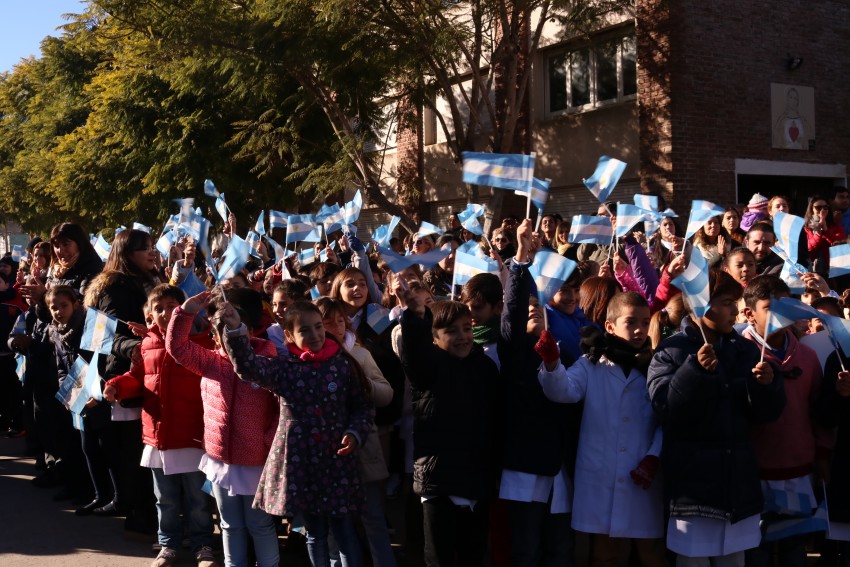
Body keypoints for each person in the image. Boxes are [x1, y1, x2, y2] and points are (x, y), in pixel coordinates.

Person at [220, 300, 375, 567]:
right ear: (289, 335)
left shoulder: (343, 365)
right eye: (305, 330)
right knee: (314, 533)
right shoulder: (285, 368)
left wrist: (354, 432)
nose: (315, 335)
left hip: (337, 462)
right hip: (301, 464)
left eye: (318, 327)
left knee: (345, 531)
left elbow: (363, 407)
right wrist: (235, 331)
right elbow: (248, 367)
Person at [648, 270, 784, 567]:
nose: (735, 310)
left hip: (737, 486)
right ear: (701, 304)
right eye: (726, 302)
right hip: (693, 492)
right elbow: (665, 409)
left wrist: (766, 386)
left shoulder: (745, 350)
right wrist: (692, 371)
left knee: (734, 561)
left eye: (735, 302)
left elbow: (765, 415)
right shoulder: (672, 350)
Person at [538, 292, 665, 567]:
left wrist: (655, 455)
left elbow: (665, 418)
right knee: (605, 552)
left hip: (642, 474)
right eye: (630, 322)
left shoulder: (656, 364)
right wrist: (551, 363)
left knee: (651, 552)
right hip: (601, 472)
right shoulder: (592, 363)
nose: (640, 330)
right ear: (609, 326)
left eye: (645, 323)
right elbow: (564, 392)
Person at [103, 284, 218, 567]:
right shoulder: (147, 344)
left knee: (198, 499)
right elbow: (137, 377)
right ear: (150, 315)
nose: (166, 313)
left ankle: (203, 544)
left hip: (193, 435)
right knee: (164, 499)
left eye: (172, 306)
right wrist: (116, 386)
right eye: (159, 308)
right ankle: (168, 545)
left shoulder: (202, 342)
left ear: (185, 310)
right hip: (158, 435)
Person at [165, 287, 281, 567]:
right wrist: (184, 313)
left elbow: (280, 410)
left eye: (235, 328)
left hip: (257, 462)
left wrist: (267, 443)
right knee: (229, 525)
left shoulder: (267, 361)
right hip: (221, 460)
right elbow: (177, 347)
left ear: (251, 329)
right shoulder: (210, 362)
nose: (225, 338)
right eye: (220, 332)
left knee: (260, 525)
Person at [497, 217, 577, 567]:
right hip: (525, 467)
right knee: (525, 551)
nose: (532, 308)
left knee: (559, 551)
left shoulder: (566, 352)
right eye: (527, 305)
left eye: (538, 304)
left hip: (560, 467)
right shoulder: (514, 352)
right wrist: (519, 261)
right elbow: (513, 313)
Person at [398, 292, 500, 567]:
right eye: (451, 331)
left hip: (476, 479)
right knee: (440, 559)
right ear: (434, 338)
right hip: (439, 482)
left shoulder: (486, 367)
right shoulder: (429, 367)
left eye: (467, 328)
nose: (462, 337)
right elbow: (414, 351)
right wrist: (415, 316)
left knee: (473, 555)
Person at [738, 276, 833, 567]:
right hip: (752, 473)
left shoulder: (806, 355)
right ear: (750, 313)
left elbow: (818, 413)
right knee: (756, 551)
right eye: (769, 307)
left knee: (794, 551)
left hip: (798, 472)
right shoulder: (738, 354)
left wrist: (823, 455)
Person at [84, 228, 160, 536]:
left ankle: (148, 512)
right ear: (128, 254)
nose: (153, 252)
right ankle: (140, 514)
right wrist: (134, 346)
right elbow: (104, 335)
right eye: (146, 248)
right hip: (127, 378)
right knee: (134, 453)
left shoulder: (151, 278)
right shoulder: (115, 286)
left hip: (153, 374)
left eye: (154, 246)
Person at [316, 297, 397, 567]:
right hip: (326, 454)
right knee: (333, 523)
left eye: (341, 321)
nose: (336, 327)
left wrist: (364, 384)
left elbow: (386, 394)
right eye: (328, 321)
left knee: (373, 517)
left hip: (362, 451)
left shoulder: (360, 354)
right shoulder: (305, 361)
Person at [460, 273, 503, 368]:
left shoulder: (508, 340)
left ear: (498, 307)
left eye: (478, 307)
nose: (470, 313)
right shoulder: (458, 342)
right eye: (465, 307)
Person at [804, 195, 846, 275]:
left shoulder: (836, 227)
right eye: (818, 207)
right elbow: (807, 249)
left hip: (835, 268)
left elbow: (840, 246)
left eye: (825, 207)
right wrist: (817, 235)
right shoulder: (805, 228)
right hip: (812, 268)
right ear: (811, 209)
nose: (822, 210)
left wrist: (826, 230)